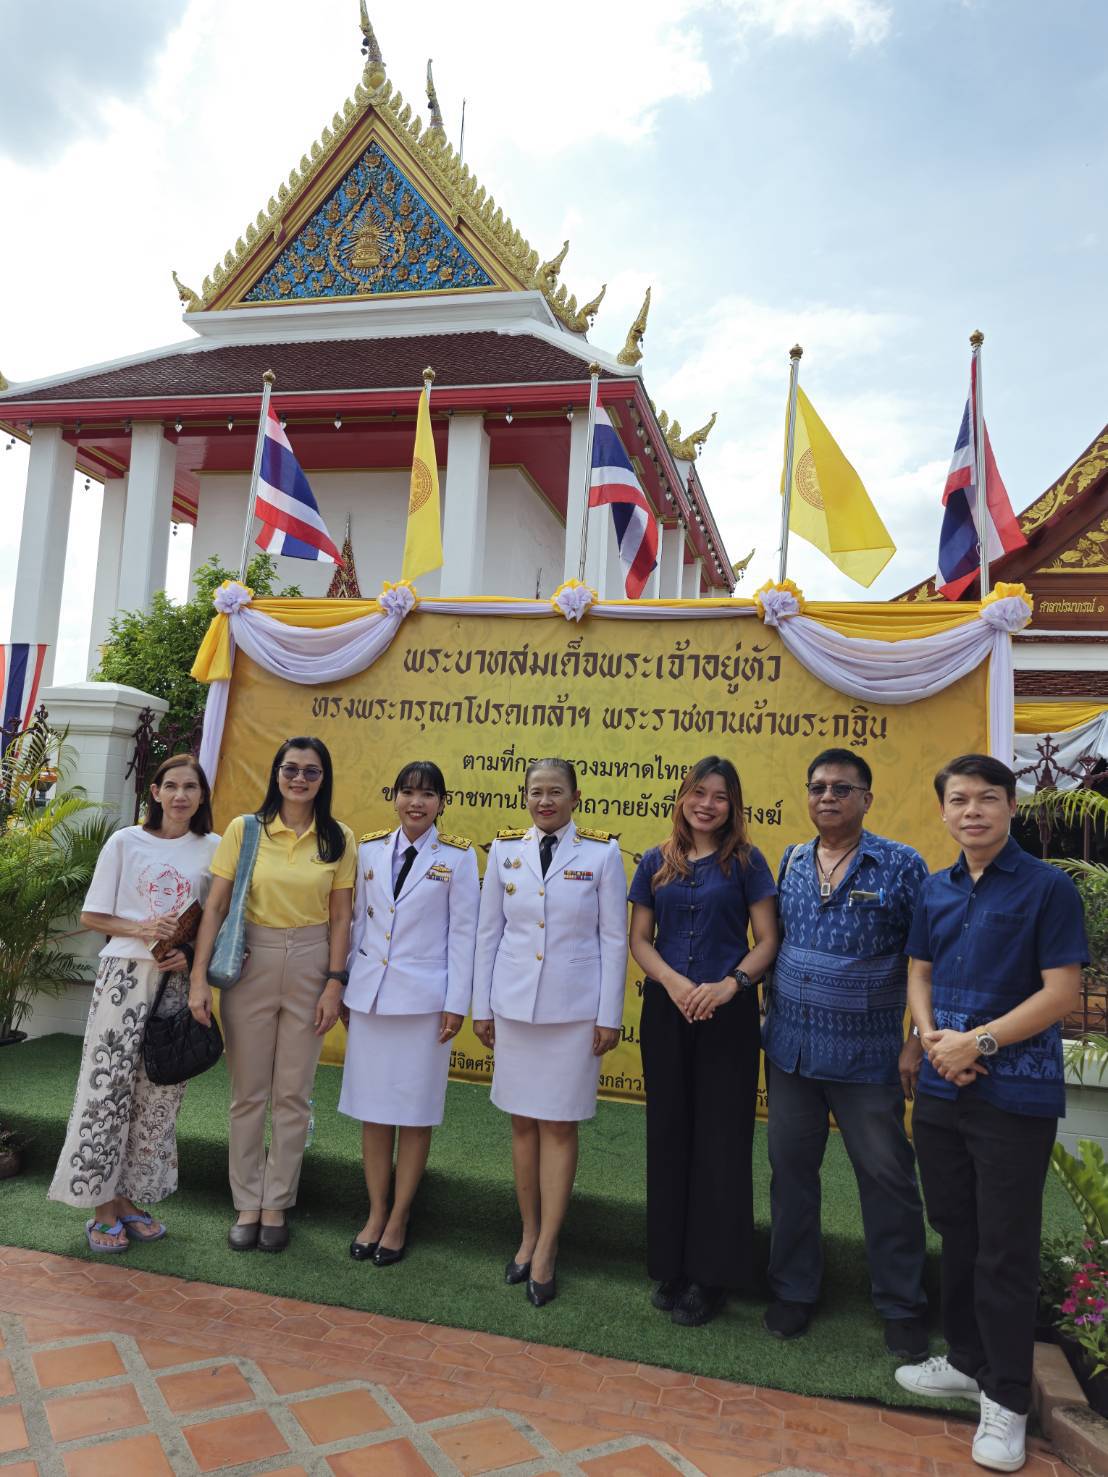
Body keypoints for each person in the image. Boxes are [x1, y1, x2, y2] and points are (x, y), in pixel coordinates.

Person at [896, 754, 1087, 1474]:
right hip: (944, 1092)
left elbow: (1061, 990)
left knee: (1006, 1245)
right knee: (958, 1228)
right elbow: (919, 970)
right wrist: (929, 1038)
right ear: (943, 811)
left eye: (986, 799)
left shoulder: (1046, 888)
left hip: (1015, 1096)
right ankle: (970, 1360)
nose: (971, 810)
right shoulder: (936, 889)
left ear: (1012, 807)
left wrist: (977, 1041)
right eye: (958, 800)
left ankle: (1005, 1400)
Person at [760, 748, 930, 1356]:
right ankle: (794, 1290)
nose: (827, 797)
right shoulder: (792, 860)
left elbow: (930, 957)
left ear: (866, 798)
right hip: (792, 1055)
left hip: (867, 1058)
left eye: (841, 788)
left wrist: (917, 1038)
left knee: (885, 1176)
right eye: (818, 787)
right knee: (791, 1176)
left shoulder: (902, 866)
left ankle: (902, 1303)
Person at [628, 755, 778, 1328]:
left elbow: (766, 939)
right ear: (683, 797)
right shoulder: (654, 862)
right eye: (698, 793)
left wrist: (728, 986)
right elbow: (641, 939)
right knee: (669, 1135)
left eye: (719, 796)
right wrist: (674, 982)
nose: (707, 804)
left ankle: (711, 1277)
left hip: (726, 1016)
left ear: (733, 804)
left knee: (721, 1142)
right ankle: (672, 1264)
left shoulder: (747, 862)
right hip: (667, 1012)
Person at [189, 737, 355, 1253]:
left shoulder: (338, 837)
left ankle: (277, 1202)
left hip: (311, 961)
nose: (299, 779)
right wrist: (199, 978)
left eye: (310, 771)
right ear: (276, 773)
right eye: (290, 768)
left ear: (324, 779)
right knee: (248, 1092)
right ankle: (246, 1202)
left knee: (293, 1093)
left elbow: (342, 916)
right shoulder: (245, 829)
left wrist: (335, 981)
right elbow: (214, 909)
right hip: (250, 961)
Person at [48, 754, 220, 1251]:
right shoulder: (126, 841)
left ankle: (127, 1199)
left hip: (174, 984)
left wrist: (190, 957)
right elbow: (93, 914)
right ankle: (102, 1206)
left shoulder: (212, 848)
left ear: (202, 795)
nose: (181, 795)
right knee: (108, 1091)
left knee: (159, 1095)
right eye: (171, 786)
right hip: (123, 978)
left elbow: (218, 920)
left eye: (191, 786)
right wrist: (142, 928)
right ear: (155, 792)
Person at [472, 758, 627, 1307]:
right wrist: (481, 1008)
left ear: (575, 797)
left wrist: (610, 1014)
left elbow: (614, 940)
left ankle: (549, 1247)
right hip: (514, 1009)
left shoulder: (603, 854)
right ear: (525, 797)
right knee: (522, 1124)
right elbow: (488, 933)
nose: (545, 801)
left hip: (573, 1013)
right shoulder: (504, 851)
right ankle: (528, 1232)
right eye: (536, 792)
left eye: (555, 792)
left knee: (558, 1128)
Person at [339, 759, 478, 1266]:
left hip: (425, 1004)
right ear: (394, 797)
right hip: (372, 998)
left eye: (427, 794)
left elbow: (464, 936)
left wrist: (455, 1004)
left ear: (442, 803)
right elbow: (356, 925)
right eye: (407, 792)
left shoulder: (459, 858)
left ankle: (399, 1218)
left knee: (415, 1115)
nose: (416, 802)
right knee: (374, 1113)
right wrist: (349, 988)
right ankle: (375, 1213)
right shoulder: (370, 849)